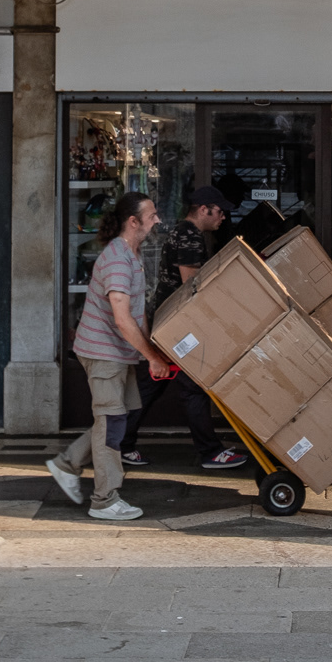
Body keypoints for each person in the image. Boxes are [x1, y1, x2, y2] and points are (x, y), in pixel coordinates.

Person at [47, 190, 172, 521]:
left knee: (119, 417)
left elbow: (137, 312)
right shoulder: (118, 260)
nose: (157, 219)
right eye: (152, 215)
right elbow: (122, 317)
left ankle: (67, 463)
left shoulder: (133, 254)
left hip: (119, 353)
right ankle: (104, 500)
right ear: (134, 222)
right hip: (103, 354)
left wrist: (151, 351)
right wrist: (153, 357)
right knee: (113, 424)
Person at [121, 185, 248, 472]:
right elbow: (193, 286)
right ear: (204, 209)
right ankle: (210, 452)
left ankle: (120, 442)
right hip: (178, 326)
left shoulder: (184, 232)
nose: (223, 217)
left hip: (170, 322)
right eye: (219, 211)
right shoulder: (189, 236)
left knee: (154, 381)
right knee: (192, 387)